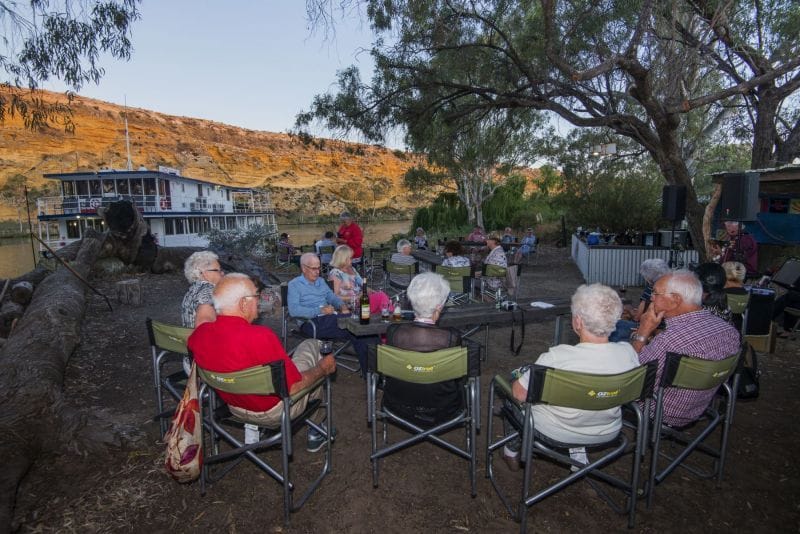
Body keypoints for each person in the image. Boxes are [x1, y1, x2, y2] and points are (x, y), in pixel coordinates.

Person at [188, 273, 336, 451]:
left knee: (297, 359)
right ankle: (317, 430)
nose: (259, 302)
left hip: (233, 406)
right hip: (274, 411)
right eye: (256, 297)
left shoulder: (199, 335)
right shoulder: (260, 337)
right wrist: (321, 369)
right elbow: (294, 387)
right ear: (243, 303)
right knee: (313, 350)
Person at [501, 283, 640, 470]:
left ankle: (511, 451)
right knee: (587, 397)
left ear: (578, 322)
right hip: (607, 430)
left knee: (511, 391)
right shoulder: (628, 353)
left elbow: (518, 394)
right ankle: (577, 453)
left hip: (557, 431)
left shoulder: (557, 358)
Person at [630, 270, 740, 427]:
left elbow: (632, 377)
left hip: (661, 410)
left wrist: (643, 331)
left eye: (655, 293)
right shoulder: (729, 331)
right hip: (700, 406)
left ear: (675, 300)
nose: (651, 297)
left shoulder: (670, 341)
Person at [383, 272, 466, 427]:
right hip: (443, 406)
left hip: (399, 402)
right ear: (440, 307)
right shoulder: (450, 337)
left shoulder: (394, 333)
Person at [288, 252, 373, 372]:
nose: (318, 271)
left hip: (330, 318)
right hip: (311, 323)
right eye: (314, 268)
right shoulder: (294, 285)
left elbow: (332, 297)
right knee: (357, 327)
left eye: (319, 268)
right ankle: (371, 372)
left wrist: (342, 305)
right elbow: (294, 311)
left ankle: (371, 372)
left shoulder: (321, 281)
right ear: (303, 268)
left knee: (362, 328)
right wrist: (320, 310)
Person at [609, 258, 671, 343]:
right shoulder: (671, 287)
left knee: (616, 325)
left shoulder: (651, 289)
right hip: (665, 327)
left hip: (649, 329)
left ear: (648, 277)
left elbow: (638, 317)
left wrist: (629, 311)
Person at [328, 245, 391, 314]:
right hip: (351, 304)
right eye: (350, 258)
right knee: (381, 298)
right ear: (343, 259)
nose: (352, 260)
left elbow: (362, 285)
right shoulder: (335, 273)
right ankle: (390, 315)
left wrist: (372, 291)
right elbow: (334, 296)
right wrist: (356, 297)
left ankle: (388, 315)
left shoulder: (352, 269)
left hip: (361, 299)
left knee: (382, 296)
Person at [181, 250, 223, 328]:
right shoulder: (208, 291)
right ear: (204, 273)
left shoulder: (192, 290)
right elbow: (204, 325)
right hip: (205, 338)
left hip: (190, 337)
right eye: (218, 270)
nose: (222, 273)